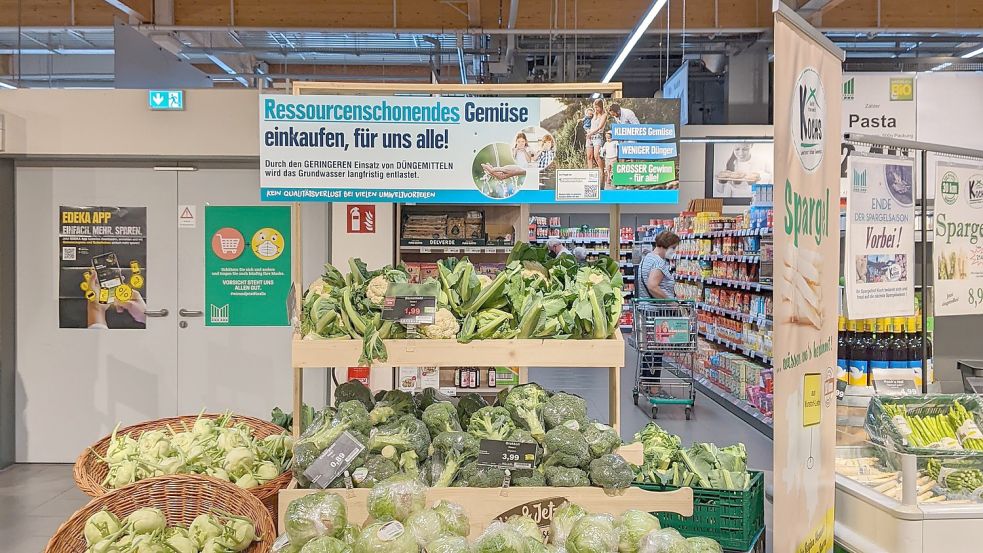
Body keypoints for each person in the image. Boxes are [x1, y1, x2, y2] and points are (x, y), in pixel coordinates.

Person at [637, 231, 681, 382]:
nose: (674, 251)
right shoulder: (658, 263)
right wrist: (672, 302)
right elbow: (653, 286)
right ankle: (653, 385)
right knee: (656, 350)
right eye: (673, 248)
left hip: (647, 310)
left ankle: (646, 382)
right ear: (665, 245)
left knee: (649, 349)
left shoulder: (647, 258)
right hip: (656, 311)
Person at [585, 99, 608, 170]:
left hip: (598, 137)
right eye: (594, 107)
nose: (595, 109)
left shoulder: (604, 115)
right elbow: (588, 120)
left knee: (597, 156)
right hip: (590, 137)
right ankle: (590, 173)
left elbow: (600, 127)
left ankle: (602, 172)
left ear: (601, 106)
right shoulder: (594, 113)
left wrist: (590, 133)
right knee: (589, 157)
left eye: (597, 107)